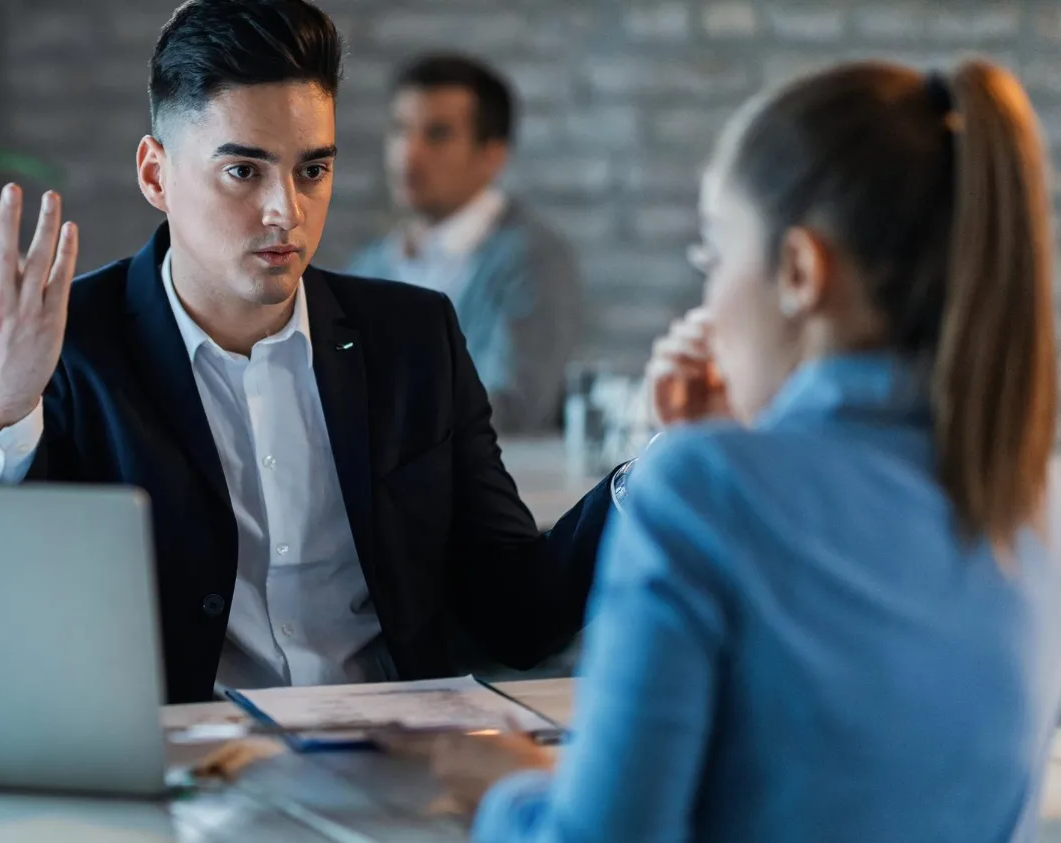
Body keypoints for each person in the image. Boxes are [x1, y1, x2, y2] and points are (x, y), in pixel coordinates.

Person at [420, 59, 1061, 842]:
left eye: (716, 254)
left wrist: (510, 790)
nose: (709, 295)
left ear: (798, 270)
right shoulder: (1024, 488)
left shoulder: (707, 489)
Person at [0, 0, 620, 705]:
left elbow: (518, 615)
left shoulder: (412, 338)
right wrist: (3, 403)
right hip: (185, 769)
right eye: (244, 172)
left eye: (312, 170)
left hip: (400, 759)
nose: (285, 211)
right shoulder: (70, 345)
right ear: (155, 174)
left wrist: (651, 473)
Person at [349, 54, 580, 435]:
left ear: (492, 155)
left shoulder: (535, 260)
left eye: (436, 134)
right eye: (399, 130)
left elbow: (514, 405)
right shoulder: (369, 266)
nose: (408, 153)